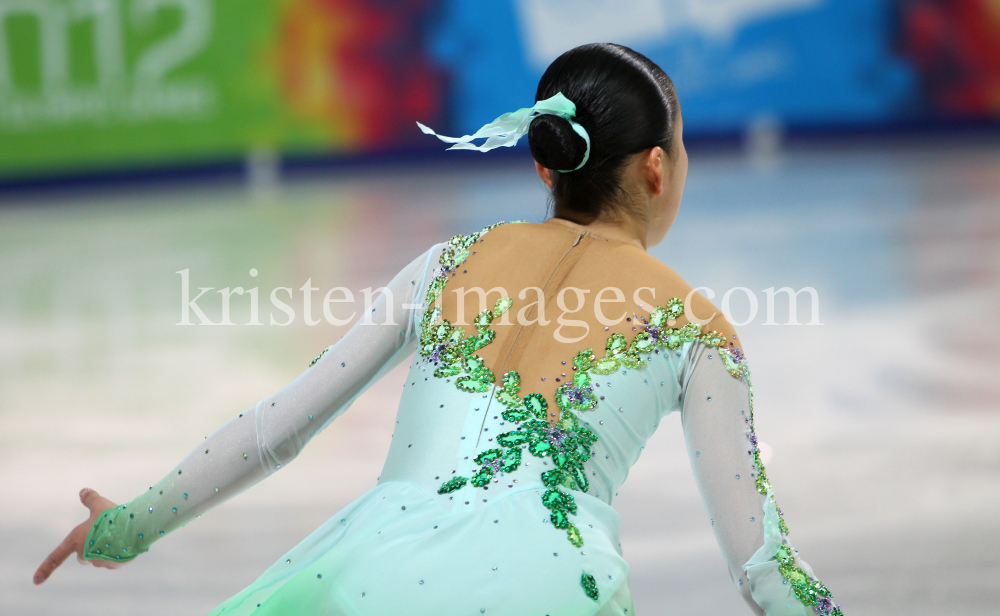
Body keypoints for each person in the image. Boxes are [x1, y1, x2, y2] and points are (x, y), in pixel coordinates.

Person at [34, 43, 842, 616]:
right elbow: (762, 565)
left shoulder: (446, 264)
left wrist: (127, 526)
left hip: (367, 577)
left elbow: (276, 428)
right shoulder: (696, 328)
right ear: (659, 167)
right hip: (550, 591)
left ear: (542, 165)